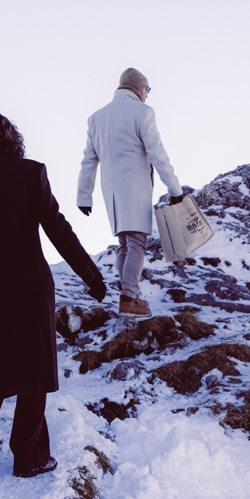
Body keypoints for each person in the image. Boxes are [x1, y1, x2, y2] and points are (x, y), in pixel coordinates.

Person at [0, 112, 107, 492]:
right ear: (14, 140)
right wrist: (92, 277)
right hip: (28, 287)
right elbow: (59, 230)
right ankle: (29, 458)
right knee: (33, 368)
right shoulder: (31, 174)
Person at [76, 67, 187, 317]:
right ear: (139, 89)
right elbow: (157, 153)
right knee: (137, 242)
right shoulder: (143, 112)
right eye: (147, 90)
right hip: (135, 188)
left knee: (124, 243)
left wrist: (84, 196)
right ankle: (129, 299)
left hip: (111, 193)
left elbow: (88, 161)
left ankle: (129, 295)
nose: (147, 95)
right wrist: (174, 189)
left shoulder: (96, 118)